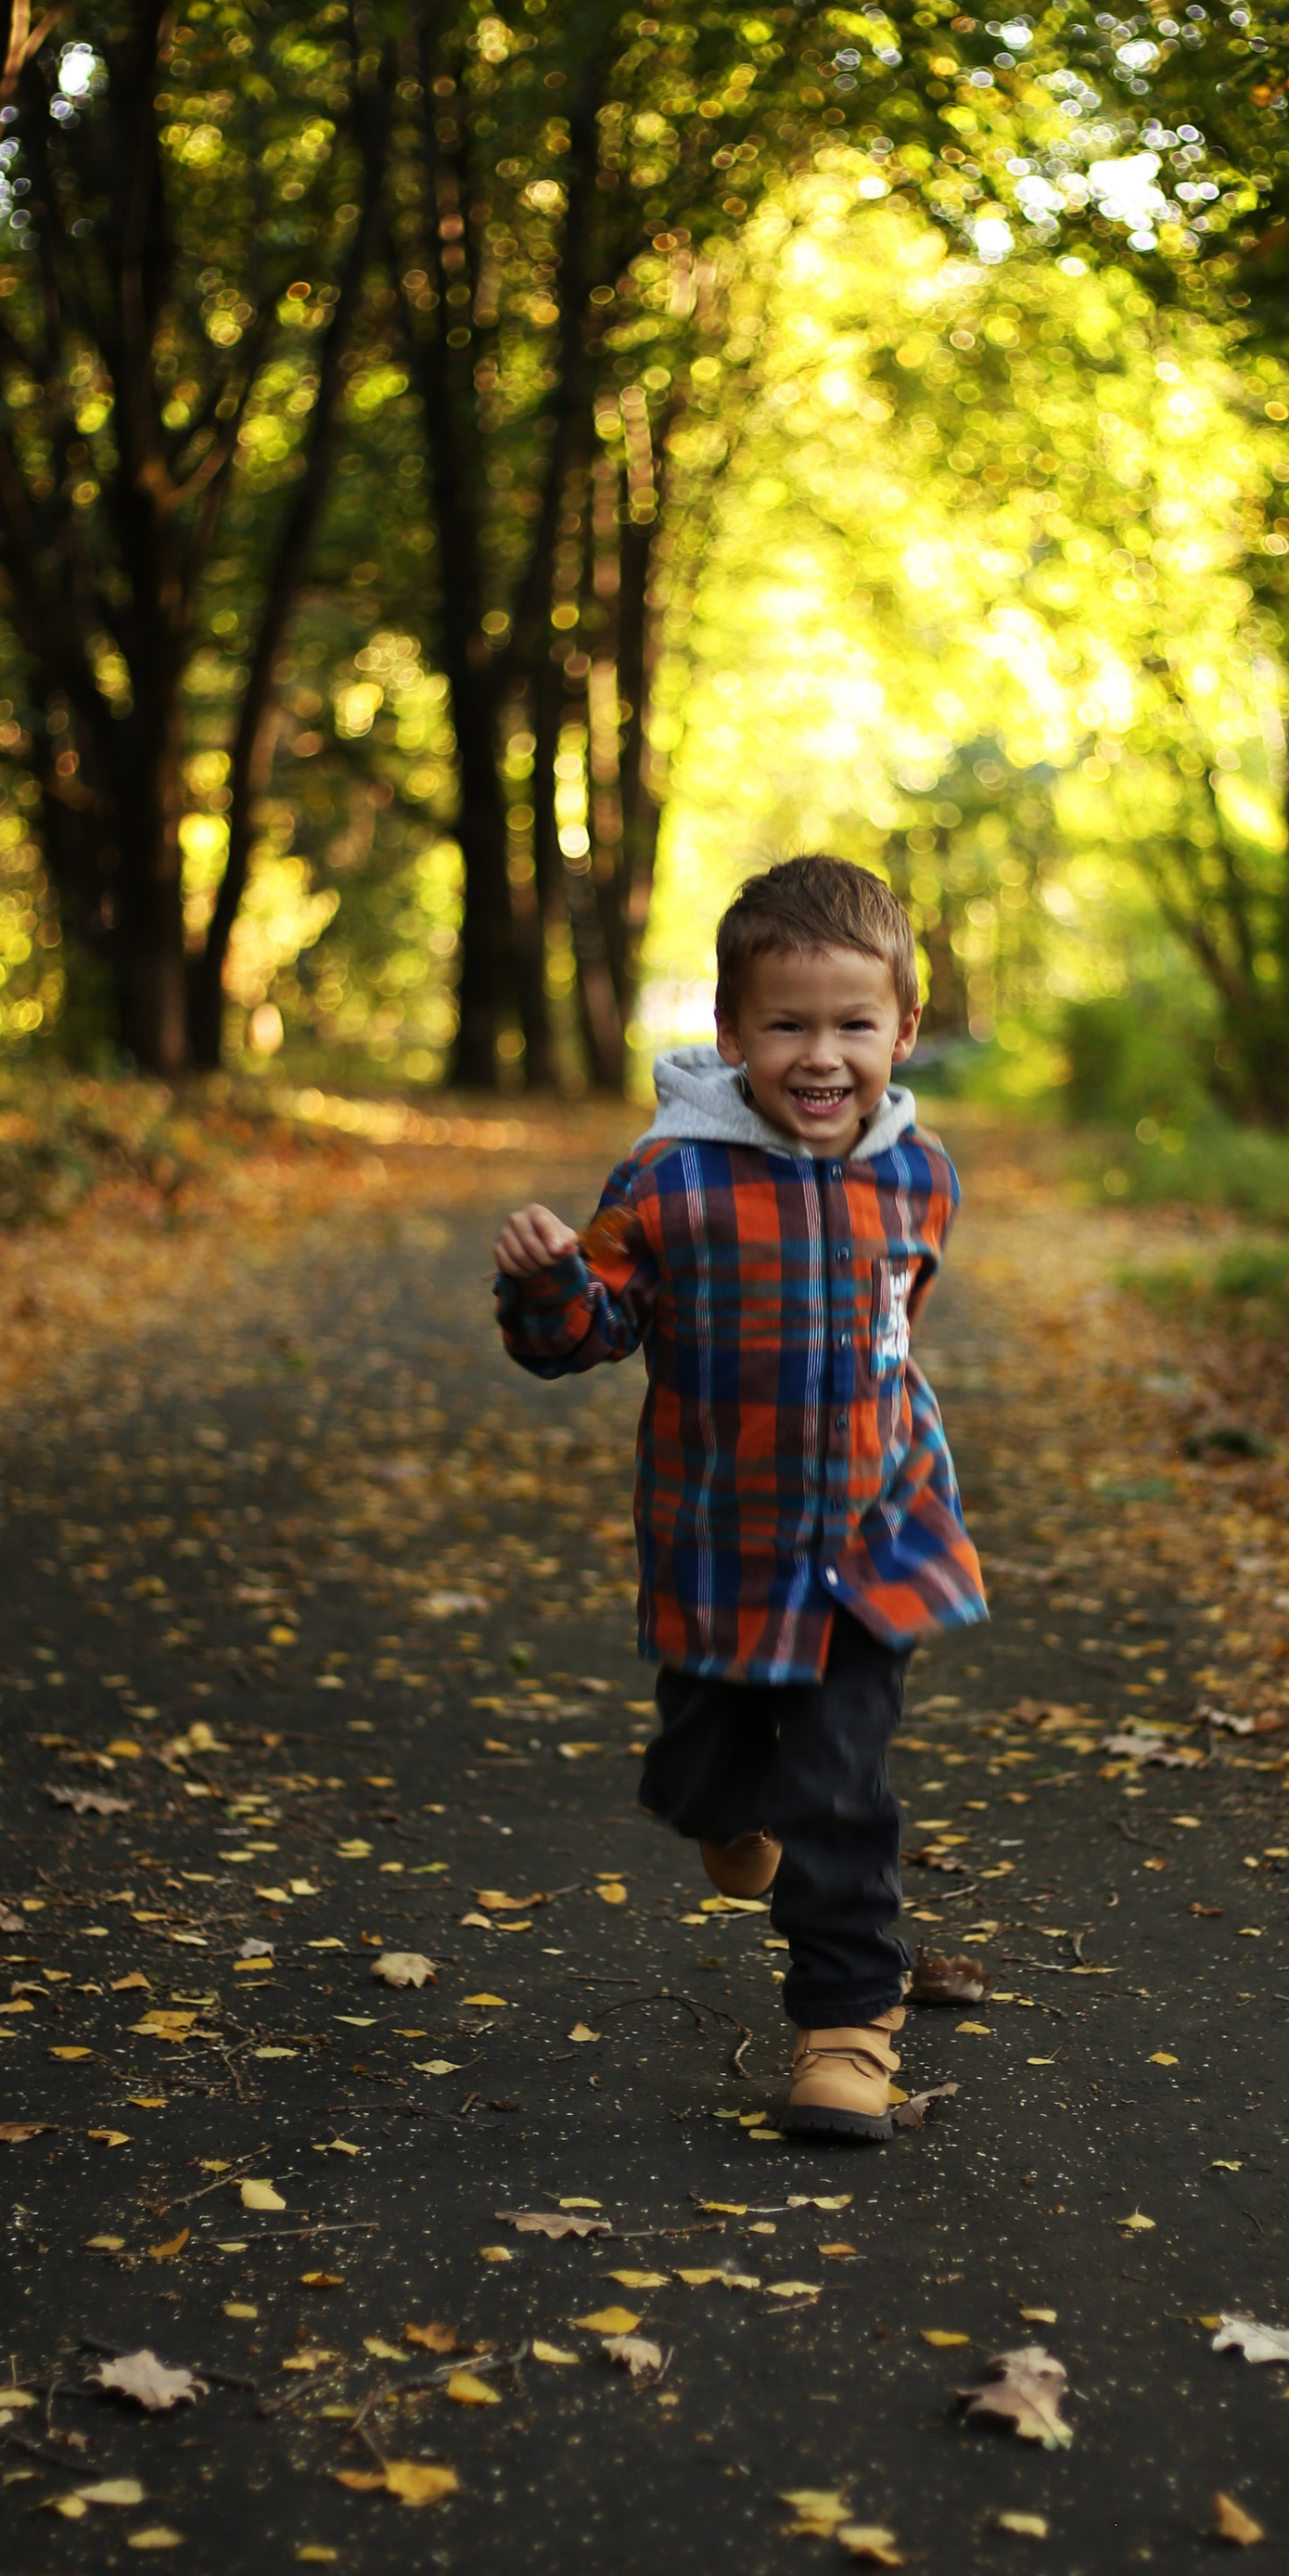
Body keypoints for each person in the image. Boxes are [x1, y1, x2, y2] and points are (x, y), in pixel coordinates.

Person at [491, 854, 985, 2142]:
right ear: (729, 1032)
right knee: (703, 1781)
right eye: (787, 1026)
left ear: (903, 1030)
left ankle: (846, 2031)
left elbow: (894, 1334)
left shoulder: (918, 1175)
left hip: (875, 1542)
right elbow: (581, 1335)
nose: (822, 1057)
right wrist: (550, 1285)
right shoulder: (668, 1182)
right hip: (720, 1552)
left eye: (853, 1026)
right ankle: (726, 1812)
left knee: (840, 1790)